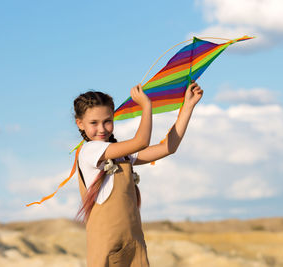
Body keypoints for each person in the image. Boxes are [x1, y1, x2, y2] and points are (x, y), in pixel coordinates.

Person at [73, 82, 203, 267]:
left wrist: (188, 106)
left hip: (133, 243)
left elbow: (168, 147)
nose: (101, 129)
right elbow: (141, 142)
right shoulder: (90, 151)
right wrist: (146, 105)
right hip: (109, 249)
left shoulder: (122, 155)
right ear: (80, 124)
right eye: (94, 123)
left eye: (107, 121)